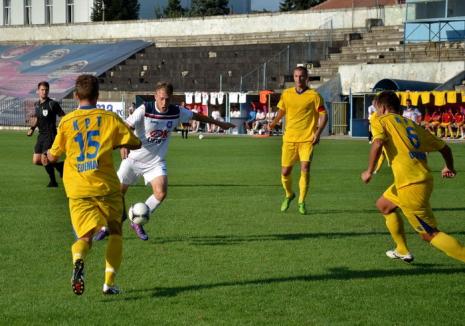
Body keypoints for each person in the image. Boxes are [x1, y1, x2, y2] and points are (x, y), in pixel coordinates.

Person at [95, 82, 235, 241]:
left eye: (167, 99)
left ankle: (138, 221)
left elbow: (197, 116)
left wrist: (220, 124)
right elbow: (125, 126)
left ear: (171, 98)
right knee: (117, 195)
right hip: (133, 159)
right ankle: (107, 227)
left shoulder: (176, 112)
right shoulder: (144, 109)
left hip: (155, 162)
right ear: (155, 96)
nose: (164, 103)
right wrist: (123, 144)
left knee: (161, 193)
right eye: (161, 99)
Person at [45, 74, 141, 295]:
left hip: (77, 188)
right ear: (97, 95)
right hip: (106, 187)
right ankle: (109, 283)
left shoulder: (67, 122)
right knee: (116, 231)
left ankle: (78, 258)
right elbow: (135, 142)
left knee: (85, 237)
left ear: (77, 95)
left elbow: (53, 155)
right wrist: (118, 144)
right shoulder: (110, 118)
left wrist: (46, 157)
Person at [361, 90, 465, 264]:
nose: (376, 111)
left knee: (429, 234)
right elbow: (444, 147)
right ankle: (402, 250)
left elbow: (378, 142)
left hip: (410, 185)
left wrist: (369, 170)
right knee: (384, 206)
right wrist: (449, 167)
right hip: (419, 179)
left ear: (383, 107)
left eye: (377, 107)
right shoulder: (411, 125)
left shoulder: (380, 120)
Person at [268, 66, 328, 215]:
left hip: (307, 139)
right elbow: (283, 110)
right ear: (293, 77)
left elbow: (323, 115)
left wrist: (318, 133)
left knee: (305, 168)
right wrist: (274, 122)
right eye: (296, 76)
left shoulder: (314, 96)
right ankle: (289, 194)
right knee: (285, 171)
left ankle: (301, 201)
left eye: (301, 76)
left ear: (306, 78)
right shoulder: (286, 94)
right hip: (289, 139)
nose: (299, 79)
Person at [27, 81, 66, 187]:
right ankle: (60, 166)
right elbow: (37, 119)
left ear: (48, 91)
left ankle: (53, 182)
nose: (44, 92)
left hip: (51, 134)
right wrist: (32, 128)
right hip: (41, 135)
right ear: (38, 91)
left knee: (45, 159)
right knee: (36, 160)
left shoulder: (52, 104)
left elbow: (63, 117)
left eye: (46, 90)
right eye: (42, 90)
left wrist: (62, 129)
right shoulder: (36, 104)